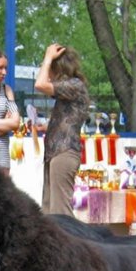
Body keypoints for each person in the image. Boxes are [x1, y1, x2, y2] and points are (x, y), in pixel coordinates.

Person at [34, 43, 90, 216]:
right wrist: (46, 126)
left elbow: (40, 85)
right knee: (49, 211)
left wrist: (48, 57)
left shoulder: (74, 85)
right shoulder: (69, 88)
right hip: (54, 154)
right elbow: (68, 118)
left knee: (61, 213)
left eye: (50, 67)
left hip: (64, 153)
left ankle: (71, 243)